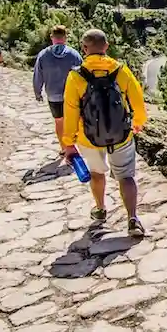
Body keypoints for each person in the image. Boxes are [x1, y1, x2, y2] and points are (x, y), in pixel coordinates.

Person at [61, 29, 147, 236]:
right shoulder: (121, 70)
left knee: (97, 174)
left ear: (84, 49)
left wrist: (68, 142)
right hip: (121, 135)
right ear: (106, 47)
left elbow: (70, 111)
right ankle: (132, 219)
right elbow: (138, 100)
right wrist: (138, 122)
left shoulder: (75, 76)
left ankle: (100, 209)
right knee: (126, 177)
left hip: (88, 138)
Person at [33, 25, 82, 153]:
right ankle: (74, 145)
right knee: (74, 121)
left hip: (53, 95)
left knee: (59, 122)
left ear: (52, 37)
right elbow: (83, 75)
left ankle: (64, 148)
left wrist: (37, 92)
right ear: (65, 38)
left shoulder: (43, 55)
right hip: (72, 95)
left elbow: (38, 74)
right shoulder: (74, 54)